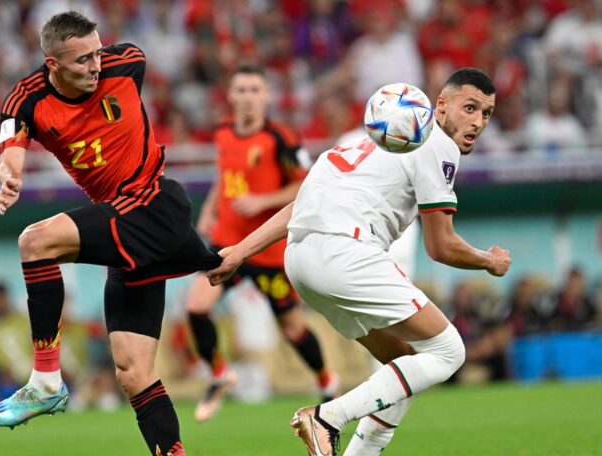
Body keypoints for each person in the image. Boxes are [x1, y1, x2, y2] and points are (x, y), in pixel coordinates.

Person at [207, 68, 511, 456]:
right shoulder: (436, 144)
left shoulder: (363, 144)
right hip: (345, 252)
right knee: (449, 351)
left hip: (301, 260)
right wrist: (489, 261)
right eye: (469, 108)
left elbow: (299, 206)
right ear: (440, 105)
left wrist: (239, 251)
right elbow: (441, 246)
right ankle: (327, 417)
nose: (478, 121)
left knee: (403, 365)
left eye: (486, 113)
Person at [0, 11, 221, 456]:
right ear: (53, 64)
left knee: (35, 242)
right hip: (122, 223)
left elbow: (117, 68)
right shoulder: (27, 100)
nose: (96, 65)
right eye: (82, 60)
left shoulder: (128, 63)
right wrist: (10, 175)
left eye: (97, 52)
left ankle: (45, 381)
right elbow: (11, 150)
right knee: (133, 372)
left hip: (153, 203)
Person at [186, 64, 338, 422]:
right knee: (196, 306)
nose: (248, 97)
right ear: (230, 95)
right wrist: (209, 209)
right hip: (226, 243)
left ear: (267, 95)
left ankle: (327, 381)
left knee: (292, 329)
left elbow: (306, 186)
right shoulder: (223, 132)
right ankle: (220, 375)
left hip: (267, 251)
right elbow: (225, 176)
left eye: (255, 90)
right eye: (241, 90)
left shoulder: (281, 138)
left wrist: (262, 201)